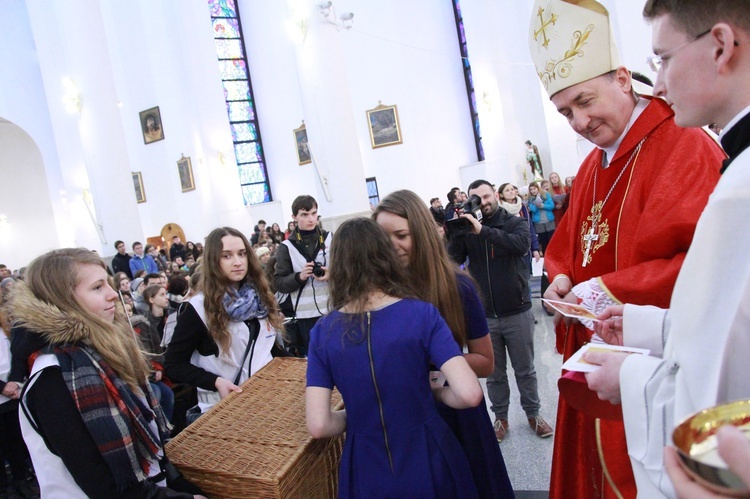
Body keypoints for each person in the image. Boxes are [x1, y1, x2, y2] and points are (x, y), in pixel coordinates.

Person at [527, 1, 724, 497]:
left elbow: (707, 270)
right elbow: (571, 245)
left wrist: (607, 291)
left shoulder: (684, 143)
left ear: (621, 78)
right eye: (565, 111)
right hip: (598, 363)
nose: (578, 121)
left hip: (655, 373)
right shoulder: (594, 165)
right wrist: (563, 279)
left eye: (585, 101)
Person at [580, 1, 750, 496]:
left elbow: (717, 400)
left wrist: (630, 377)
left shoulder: (741, 190)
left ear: (720, 46)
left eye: (663, 59)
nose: (657, 85)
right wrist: (646, 324)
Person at [306, 217, 483, 498]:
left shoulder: (322, 333)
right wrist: (434, 392)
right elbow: (470, 394)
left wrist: (359, 415)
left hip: (364, 464)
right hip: (429, 455)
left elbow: (319, 425)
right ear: (384, 255)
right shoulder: (421, 315)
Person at [9, 248, 203, 497]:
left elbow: (151, 447)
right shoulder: (54, 378)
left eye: (109, 284)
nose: (113, 294)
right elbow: (106, 485)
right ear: (62, 299)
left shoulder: (102, 351)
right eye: (98, 287)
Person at [373, 190, 514, 497]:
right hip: (402, 418)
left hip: (453, 410)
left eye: (401, 235)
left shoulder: (456, 286)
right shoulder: (374, 292)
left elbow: (485, 361)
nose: (392, 245)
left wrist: (437, 369)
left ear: (422, 234)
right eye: (383, 237)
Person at [449, 179, 553, 443]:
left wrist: (481, 230)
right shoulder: (469, 228)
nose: (482, 203)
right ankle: (500, 418)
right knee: (494, 375)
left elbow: (519, 245)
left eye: (486, 197)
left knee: (525, 370)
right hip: (484, 315)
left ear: (495, 195)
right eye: (476, 199)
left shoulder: (514, 222)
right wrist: (456, 231)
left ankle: (534, 414)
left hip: (517, 310)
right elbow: (454, 260)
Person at [164, 227, 282, 417]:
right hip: (224, 412)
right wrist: (215, 381)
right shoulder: (197, 309)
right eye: (227, 256)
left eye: (242, 254)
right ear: (213, 261)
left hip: (266, 404)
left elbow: (266, 349)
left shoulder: (260, 300)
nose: (237, 262)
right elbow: (173, 364)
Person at [274, 195, 331, 357]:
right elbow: (279, 283)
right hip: (306, 315)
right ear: (294, 217)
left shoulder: (330, 239)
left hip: (333, 308)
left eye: (314, 213)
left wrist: (331, 274)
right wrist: (299, 277)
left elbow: (347, 270)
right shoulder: (286, 247)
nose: (311, 219)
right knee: (315, 358)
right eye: (304, 215)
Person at [134, 284, 175, 423]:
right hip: (158, 367)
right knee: (162, 393)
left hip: (170, 361)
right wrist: (157, 367)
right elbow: (146, 351)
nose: (166, 298)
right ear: (151, 299)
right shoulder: (144, 323)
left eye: (166, 294)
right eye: (162, 295)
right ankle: (163, 429)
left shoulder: (170, 317)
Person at [527, 181, 556, 254]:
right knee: (543, 242)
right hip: (539, 222)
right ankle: (546, 256)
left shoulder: (546, 194)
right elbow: (533, 210)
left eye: (534, 188)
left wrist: (542, 205)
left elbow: (551, 206)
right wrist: (537, 203)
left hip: (549, 221)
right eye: (531, 189)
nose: (533, 191)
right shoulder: (530, 199)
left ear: (538, 188)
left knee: (552, 240)